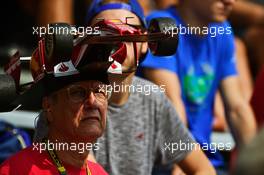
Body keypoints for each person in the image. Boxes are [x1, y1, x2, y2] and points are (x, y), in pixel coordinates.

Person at [35, 0, 216, 175]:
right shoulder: (66, 99)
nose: (117, 44)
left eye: (129, 34)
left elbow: (204, 169)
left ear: (146, 43)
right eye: (105, 33)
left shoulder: (152, 98)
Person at [139, 0, 257, 173]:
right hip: (164, 163)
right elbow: (171, 105)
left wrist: (256, 163)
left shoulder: (222, 30)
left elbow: (237, 108)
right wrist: (183, 164)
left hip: (206, 162)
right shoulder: (162, 25)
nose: (229, 2)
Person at [0, 41, 110, 174]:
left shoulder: (98, 172)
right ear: (49, 107)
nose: (93, 102)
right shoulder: (17, 170)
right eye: (78, 92)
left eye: (99, 91)